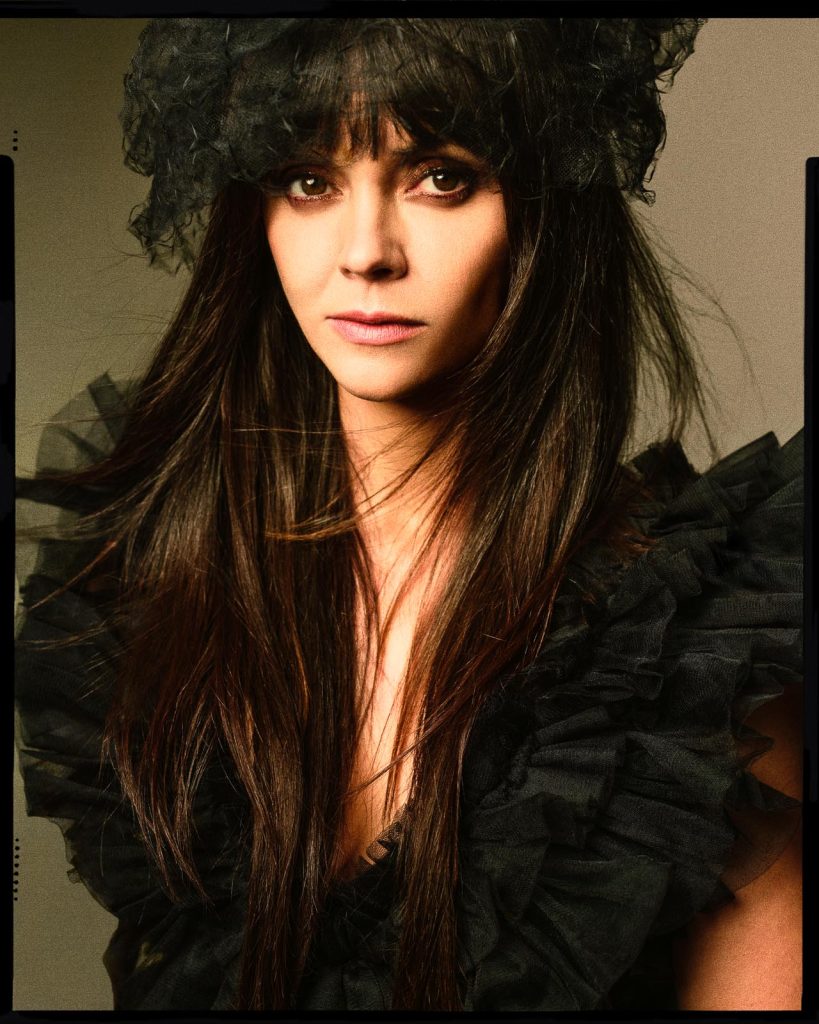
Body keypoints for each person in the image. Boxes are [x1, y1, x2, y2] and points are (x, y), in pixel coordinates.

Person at [15, 17, 803, 1012]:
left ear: (544, 207)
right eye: (308, 179)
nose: (365, 253)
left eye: (441, 177)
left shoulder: (689, 654)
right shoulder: (144, 580)